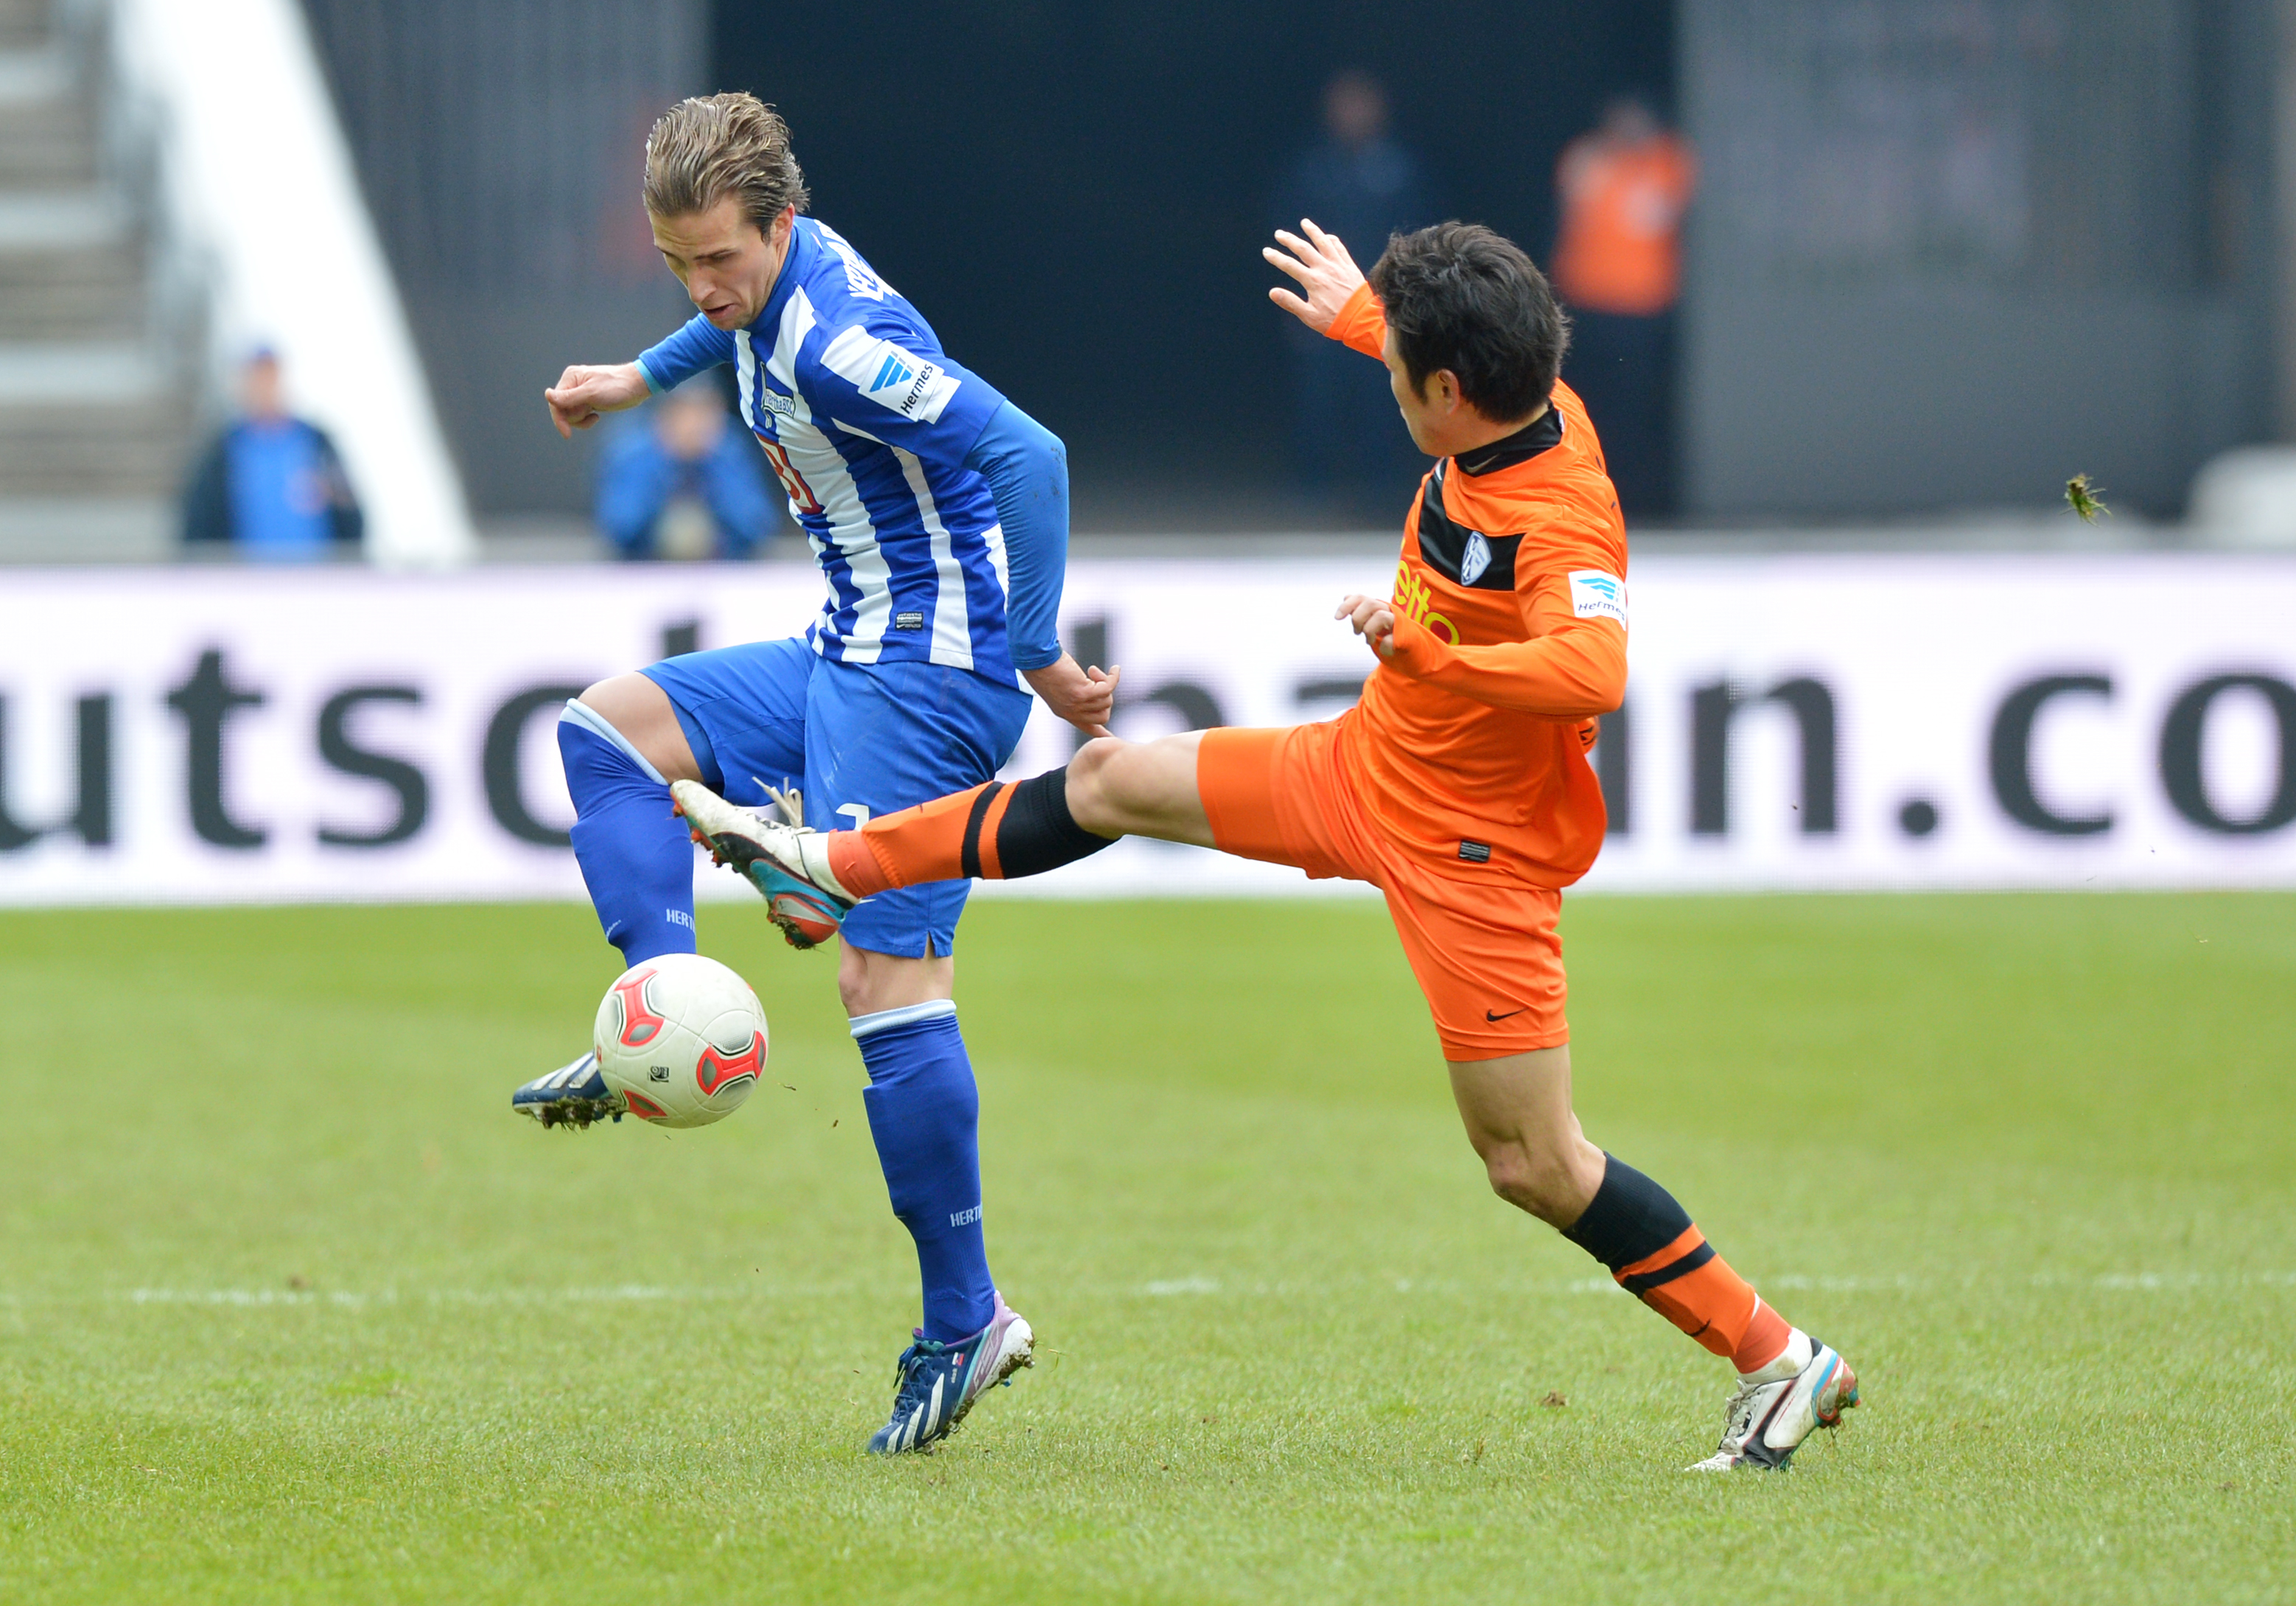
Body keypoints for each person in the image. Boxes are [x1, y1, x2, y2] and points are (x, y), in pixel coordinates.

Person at [668, 219, 1862, 1473]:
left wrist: (1437, 654)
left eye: (1391, 363)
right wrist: (1361, 307)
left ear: (1446, 393)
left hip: (1472, 854)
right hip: (1361, 767)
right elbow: (1432, 361)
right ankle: (834, 864)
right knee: (1110, 775)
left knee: (1531, 1159)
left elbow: (1593, 664)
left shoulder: (1560, 508)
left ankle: (1779, 1358)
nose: (1381, 373)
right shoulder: (1505, 392)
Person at [511, 93, 1118, 1455]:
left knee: (879, 979)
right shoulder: (767, 278)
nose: (702, 286)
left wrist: (1037, 655)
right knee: (607, 731)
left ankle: (966, 1316)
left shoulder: (842, 345)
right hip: (849, 644)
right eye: (676, 264)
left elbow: (1032, 454)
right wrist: (637, 372)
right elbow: (731, 319)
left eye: (718, 259)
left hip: (932, 668)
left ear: (778, 227)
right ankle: (660, 992)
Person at [1274, 70, 1440, 510]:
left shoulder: (1401, 168)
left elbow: (1425, 237)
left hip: (1385, 306)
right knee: (1318, 398)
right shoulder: (1311, 167)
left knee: (1384, 394)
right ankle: (1311, 488)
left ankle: (1381, 488)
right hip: (1321, 303)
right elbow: (1286, 236)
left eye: (1361, 104)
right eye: (1343, 105)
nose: (1352, 115)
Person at [1550, 97, 1696, 519]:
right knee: (1588, 409)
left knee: (1638, 409)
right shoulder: (1587, 160)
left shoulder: (1665, 162)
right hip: (1588, 307)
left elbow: (1667, 202)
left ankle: (1643, 500)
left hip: (1642, 311)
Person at [179, 346, 363, 559]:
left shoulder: (316, 443)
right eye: (257, 378)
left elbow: (350, 510)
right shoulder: (222, 452)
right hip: (247, 584)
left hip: (316, 579)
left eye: (270, 376)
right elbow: (198, 523)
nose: (265, 387)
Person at [592, 378, 785, 560]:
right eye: (683, 413)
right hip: (644, 572)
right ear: (663, 416)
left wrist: (709, 469)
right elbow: (619, 528)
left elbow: (757, 526)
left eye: (703, 413)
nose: (693, 424)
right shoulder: (632, 452)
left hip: (724, 573)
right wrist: (668, 469)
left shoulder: (730, 450)